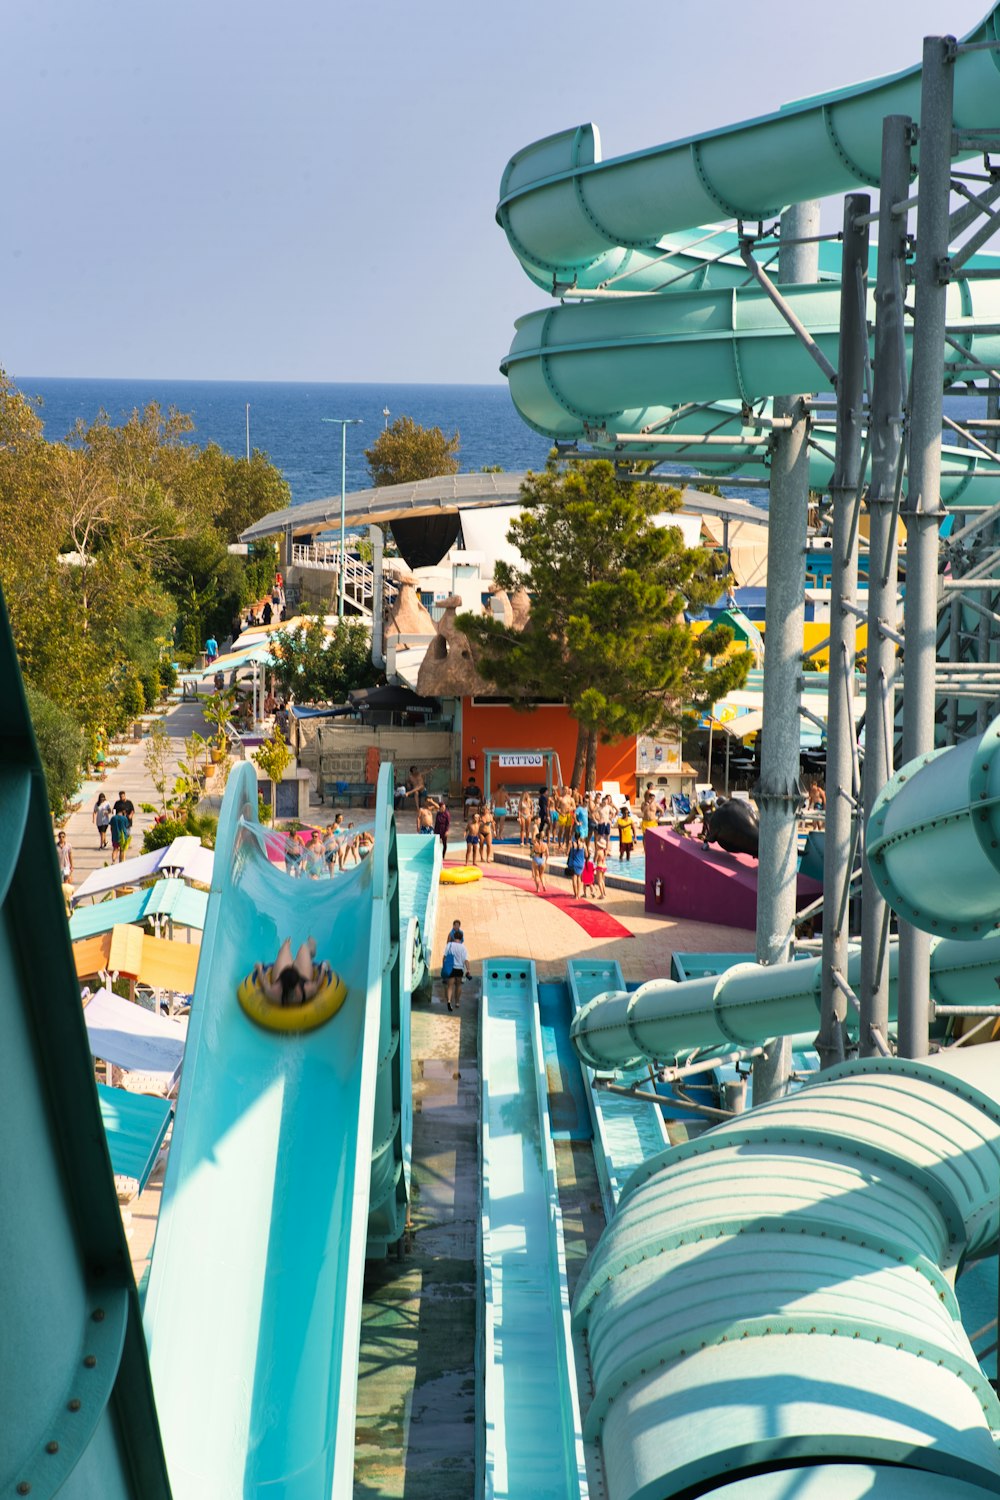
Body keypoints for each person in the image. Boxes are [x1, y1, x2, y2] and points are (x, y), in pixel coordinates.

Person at [441, 925, 470, 1012]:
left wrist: (444, 966)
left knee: (450, 986)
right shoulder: (463, 948)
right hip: (459, 969)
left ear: (454, 937)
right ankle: (457, 1002)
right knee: (458, 985)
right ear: (461, 938)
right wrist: (468, 970)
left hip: (451, 968)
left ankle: (449, 1002)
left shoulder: (449, 945)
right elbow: (466, 960)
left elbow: (444, 957)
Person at [567, 833, 586, 898]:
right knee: (579, 879)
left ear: (574, 837)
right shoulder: (583, 845)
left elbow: (567, 853)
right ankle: (578, 894)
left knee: (574, 879)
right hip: (581, 864)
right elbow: (586, 855)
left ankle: (575, 895)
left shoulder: (571, 844)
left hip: (574, 864)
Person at [530, 829, 548, 894]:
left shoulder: (535, 845)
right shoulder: (545, 845)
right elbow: (547, 854)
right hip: (542, 860)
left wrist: (533, 857)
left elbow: (531, 854)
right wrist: (546, 860)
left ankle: (538, 888)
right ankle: (543, 885)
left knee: (537, 875)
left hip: (536, 859)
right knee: (542, 874)